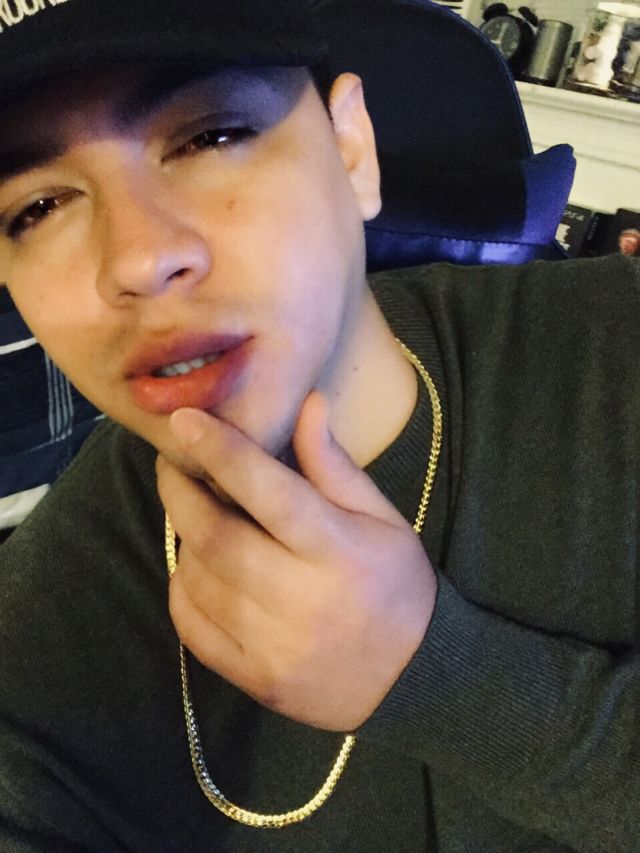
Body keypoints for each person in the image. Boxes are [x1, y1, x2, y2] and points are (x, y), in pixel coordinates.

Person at [0, 1, 638, 851]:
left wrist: (444, 679)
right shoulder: (54, 615)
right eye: (38, 206)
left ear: (352, 150)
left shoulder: (614, 351)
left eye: (211, 136)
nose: (140, 260)